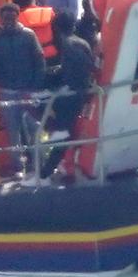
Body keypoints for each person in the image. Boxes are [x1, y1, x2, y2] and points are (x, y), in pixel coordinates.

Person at [0, 3, 48, 179]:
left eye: (11, 17)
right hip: (7, 90)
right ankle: (18, 167)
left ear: (17, 17)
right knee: (12, 130)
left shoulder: (29, 36)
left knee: (34, 127)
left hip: (28, 90)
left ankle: (40, 164)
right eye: (5, 18)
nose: (8, 21)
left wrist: (35, 86)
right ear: (1, 19)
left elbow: (40, 61)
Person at [43, 14, 101, 181]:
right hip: (80, 93)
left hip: (72, 96)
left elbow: (77, 72)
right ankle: (67, 168)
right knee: (69, 133)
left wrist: (64, 86)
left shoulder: (69, 45)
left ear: (56, 28)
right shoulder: (81, 42)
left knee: (63, 133)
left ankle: (45, 172)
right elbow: (87, 66)